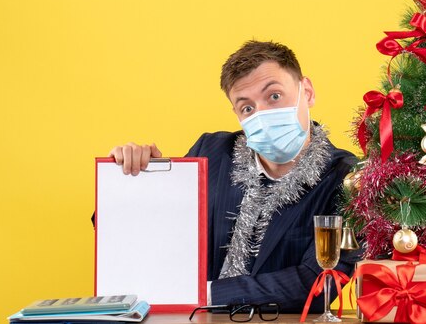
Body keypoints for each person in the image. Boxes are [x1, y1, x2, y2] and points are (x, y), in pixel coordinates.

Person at [106, 40, 358, 312]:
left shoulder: (348, 178)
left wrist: (205, 294)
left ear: (306, 92)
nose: (261, 114)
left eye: (274, 96)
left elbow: (318, 281)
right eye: (247, 108)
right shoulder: (210, 153)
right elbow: (155, 236)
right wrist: (133, 179)